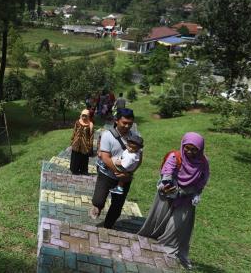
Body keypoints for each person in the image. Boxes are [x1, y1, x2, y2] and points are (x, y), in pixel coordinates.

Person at [138, 132, 210, 270]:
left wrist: (195, 193)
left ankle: (169, 249)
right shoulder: (175, 156)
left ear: (200, 149)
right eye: (187, 147)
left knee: (177, 225)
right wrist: (167, 185)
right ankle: (152, 239)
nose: (189, 152)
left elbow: (203, 179)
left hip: (188, 196)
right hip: (170, 191)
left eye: (194, 149)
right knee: (159, 219)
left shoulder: (203, 162)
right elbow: (167, 172)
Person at [89, 108, 141, 228]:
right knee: (98, 201)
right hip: (106, 174)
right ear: (117, 121)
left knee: (117, 206)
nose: (127, 126)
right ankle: (98, 207)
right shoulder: (108, 136)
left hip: (125, 178)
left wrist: (128, 174)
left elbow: (139, 158)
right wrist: (118, 172)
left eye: (130, 123)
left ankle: (107, 227)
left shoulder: (136, 137)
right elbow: (105, 157)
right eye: (124, 123)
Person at [69, 109, 94, 175]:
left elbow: (91, 136)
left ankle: (83, 170)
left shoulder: (90, 124)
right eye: (83, 115)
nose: (84, 117)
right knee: (75, 157)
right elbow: (74, 131)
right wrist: (72, 140)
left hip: (85, 144)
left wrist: (90, 146)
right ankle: (74, 170)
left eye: (85, 116)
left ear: (88, 116)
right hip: (76, 143)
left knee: (84, 158)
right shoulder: (77, 122)